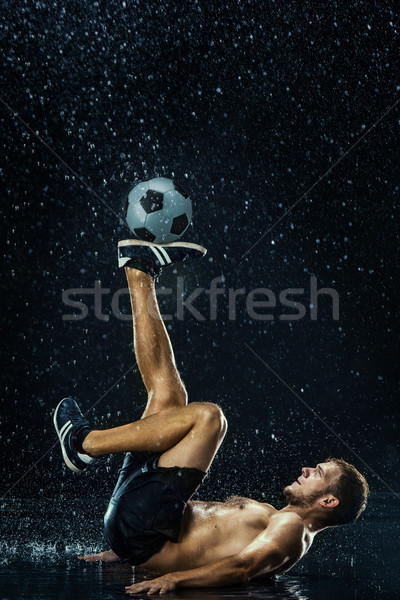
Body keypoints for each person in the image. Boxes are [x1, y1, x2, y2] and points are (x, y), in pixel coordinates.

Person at [54, 238, 369, 596]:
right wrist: (126, 553)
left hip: (144, 532)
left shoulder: (292, 530)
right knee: (170, 395)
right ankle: (140, 268)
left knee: (210, 418)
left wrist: (171, 578)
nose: (307, 470)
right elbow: (203, 540)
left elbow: (243, 567)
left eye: (319, 474)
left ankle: (84, 442)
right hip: (139, 529)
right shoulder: (271, 515)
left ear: (329, 502)